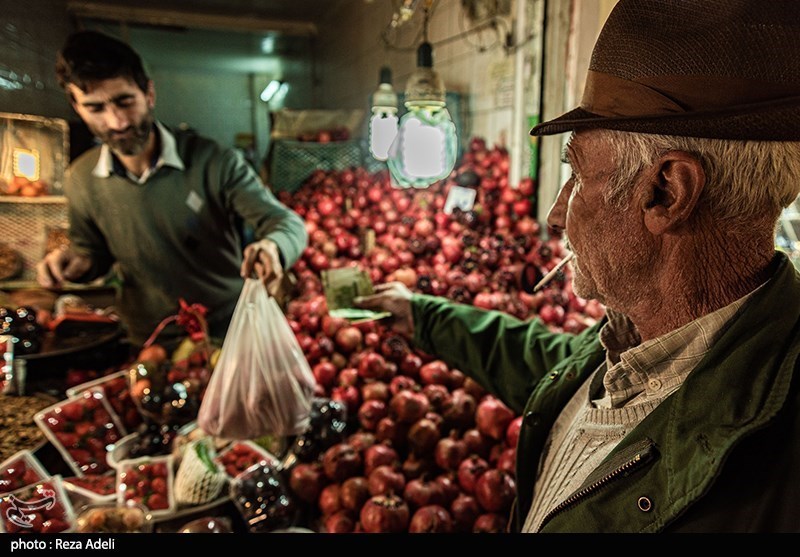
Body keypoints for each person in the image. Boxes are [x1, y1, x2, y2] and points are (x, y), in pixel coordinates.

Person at [355, 0, 800, 533]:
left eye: (578, 174)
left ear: (666, 191)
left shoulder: (776, 476)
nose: (555, 212)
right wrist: (420, 315)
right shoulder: (634, 341)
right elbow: (545, 364)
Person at [37, 30, 308, 348]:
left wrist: (273, 248)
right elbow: (92, 252)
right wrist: (75, 265)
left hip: (225, 335)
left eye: (125, 101)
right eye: (96, 108)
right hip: (146, 340)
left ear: (149, 93)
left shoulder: (214, 162)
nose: (117, 122)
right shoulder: (81, 179)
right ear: (76, 106)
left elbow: (288, 224)